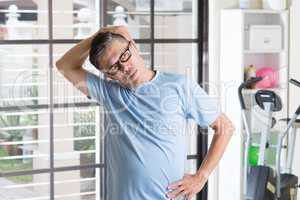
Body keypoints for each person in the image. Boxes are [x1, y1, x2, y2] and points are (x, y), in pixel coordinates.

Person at [56, 26, 235, 200]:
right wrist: (99, 33)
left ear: (133, 46)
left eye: (124, 56)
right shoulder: (109, 94)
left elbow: (225, 127)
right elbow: (65, 65)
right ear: (109, 75)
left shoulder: (179, 86)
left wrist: (201, 177)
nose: (124, 67)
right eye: (113, 68)